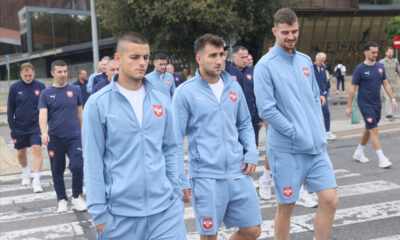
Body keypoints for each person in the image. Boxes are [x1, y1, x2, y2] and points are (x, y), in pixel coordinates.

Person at [82, 32, 186, 240]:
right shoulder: (97, 104)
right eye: (135, 57)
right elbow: (93, 161)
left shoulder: (161, 97)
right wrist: (99, 214)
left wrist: (176, 192)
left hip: (165, 212)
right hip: (120, 217)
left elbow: (171, 147)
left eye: (146, 58)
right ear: (118, 59)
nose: (142, 63)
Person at [254, 8, 338, 240]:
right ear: (275, 32)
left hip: (315, 147)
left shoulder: (304, 61)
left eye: (294, 31)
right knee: (286, 206)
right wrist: (294, 132)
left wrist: (317, 129)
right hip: (286, 149)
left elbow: (313, 97)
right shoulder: (265, 65)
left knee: (330, 200)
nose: (291, 36)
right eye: (285, 32)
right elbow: (267, 109)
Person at [173, 33, 262, 240]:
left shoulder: (233, 86)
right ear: (199, 59)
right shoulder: (184, 92)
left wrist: (251, 151)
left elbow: (245, 124)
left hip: (238, 172)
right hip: (206, 177)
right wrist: (180, 179)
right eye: (212, 55)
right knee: (209, 236)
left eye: (222, 54)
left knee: (253, 229)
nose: (219, 60)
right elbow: (174, 141)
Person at [38, 60, 87, 213]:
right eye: (59, 72)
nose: (63, 74)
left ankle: (77, 196)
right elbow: (43, 113)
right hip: (55, 138)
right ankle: (61, 199)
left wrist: (83, 133)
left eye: (65, 71)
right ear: (52, 73)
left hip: (73, 137)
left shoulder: (75, 90)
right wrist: (44, 132)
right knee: (57, 170)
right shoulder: (46, 94)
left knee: (78, 165)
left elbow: (80, 112)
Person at [346, 42, 398, 168]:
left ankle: (358, 153)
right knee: (374, 129)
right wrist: (348, 106)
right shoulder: (360, 69)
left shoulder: (380, 67)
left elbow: (385, 84)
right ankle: (382, 159)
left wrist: (392, 99)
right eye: (373, 52)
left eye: (376, 52)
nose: (375, 54)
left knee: (369, 128)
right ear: (365, 52)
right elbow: (353, 89)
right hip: (365, 104)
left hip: (377, 104)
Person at [7, 62, 45, 193]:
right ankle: (25, 172)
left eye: (30, 75)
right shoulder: (15, 87)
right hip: (19, 127)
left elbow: (45, 107)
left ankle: (37, 180)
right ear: (21, 74)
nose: (28, 78)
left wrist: (44, 125)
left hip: (36, 126)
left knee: (37, 149)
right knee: (21, 152)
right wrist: (12, 126)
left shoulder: (40, 86)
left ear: (34, 72)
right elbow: (10, 108)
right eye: (25, 75)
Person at [232, 46, 262, 146]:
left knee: (252, 149)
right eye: (242, 57)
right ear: (234, 57)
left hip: (252, 119)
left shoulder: (253, 71)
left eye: (246, 57)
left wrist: (259, 118)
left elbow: (258, 95)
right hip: (234, 120)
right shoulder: (228, 72)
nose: (245, 60)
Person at [314, 52, 336, 140]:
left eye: (323, 61)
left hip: (323, 94)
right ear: (316, 58)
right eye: (320, 61)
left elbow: (324, 80)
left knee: (326, 112)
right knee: (316, 115)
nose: (322, 63)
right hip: (314, 95)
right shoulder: (310, 68)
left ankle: (327, 131)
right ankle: (317, 133)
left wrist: (325, 91)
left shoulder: (323, 67)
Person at [379, 46, 400, 121]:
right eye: (389, 52)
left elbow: (398, 71)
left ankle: (390, 114)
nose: (391, 53)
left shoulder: (395, 61)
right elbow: (379, 73)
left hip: (394, 83)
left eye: (392, 52)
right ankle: (388, 114)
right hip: (384, 84)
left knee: (392, 98)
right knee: (387, 98)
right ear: (386, 52)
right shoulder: (381, 62)